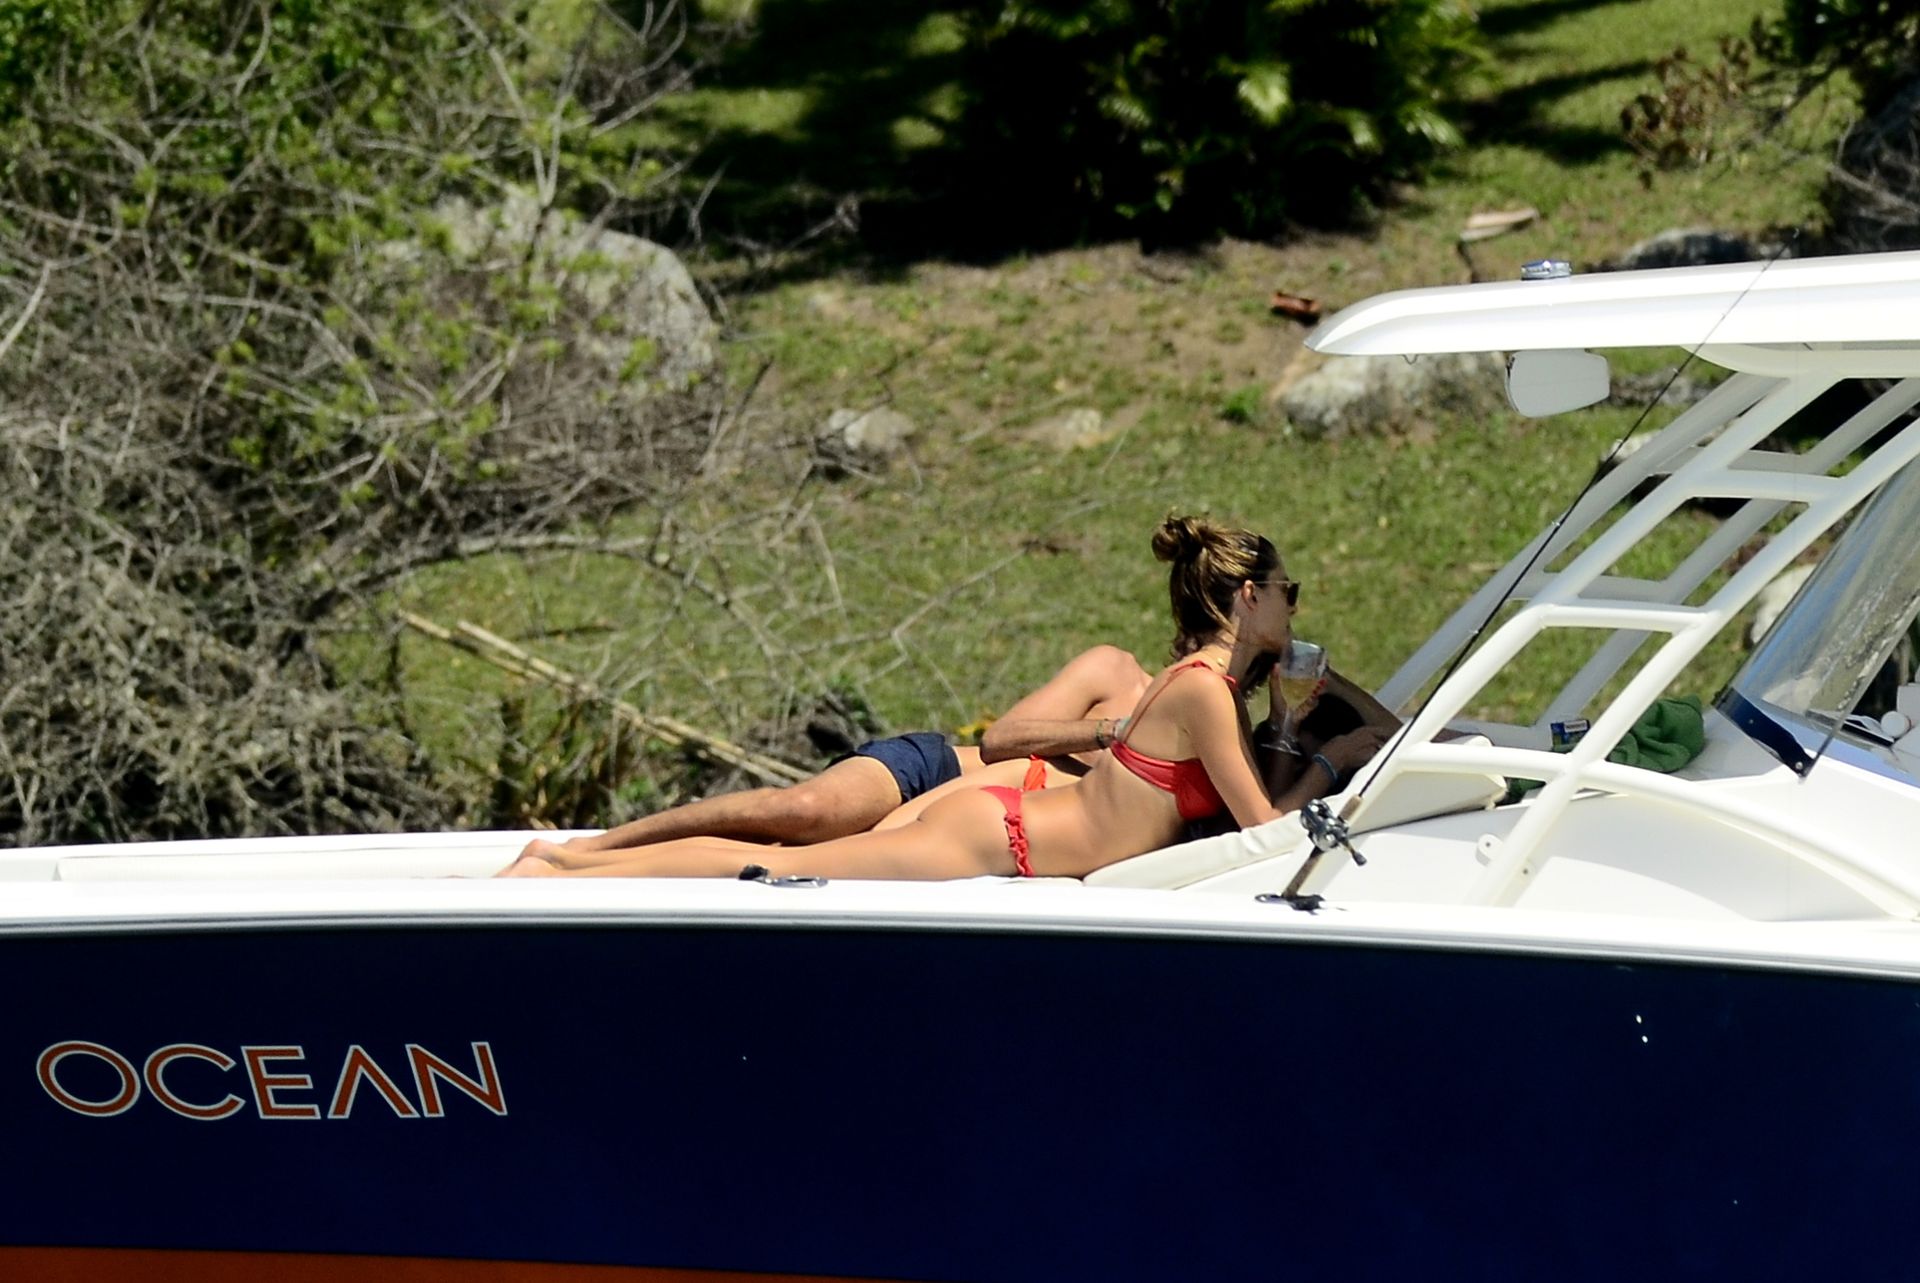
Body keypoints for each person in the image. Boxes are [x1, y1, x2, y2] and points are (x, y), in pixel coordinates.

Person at [499, 515, 1388, 881]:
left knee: (785, 861)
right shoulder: (1201, 692)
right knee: (778, 868)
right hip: (999, 836)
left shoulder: (1201, 688)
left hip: (1006, 826)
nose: (1293, 605)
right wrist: (1332, 761)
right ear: (1247, 597)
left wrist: (1288, 723)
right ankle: (567, 869)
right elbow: (1260, 828)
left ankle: (573, 864)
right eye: (1287, 592)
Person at [511, 644, 1151, 871]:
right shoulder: (1118, 671)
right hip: (938, 772)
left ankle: (595, 868)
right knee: (804, 810)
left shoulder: (1195, 740)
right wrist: (1113, 732)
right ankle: (587, 851)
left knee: (786, 860)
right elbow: (1001, 738)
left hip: (963, 828)